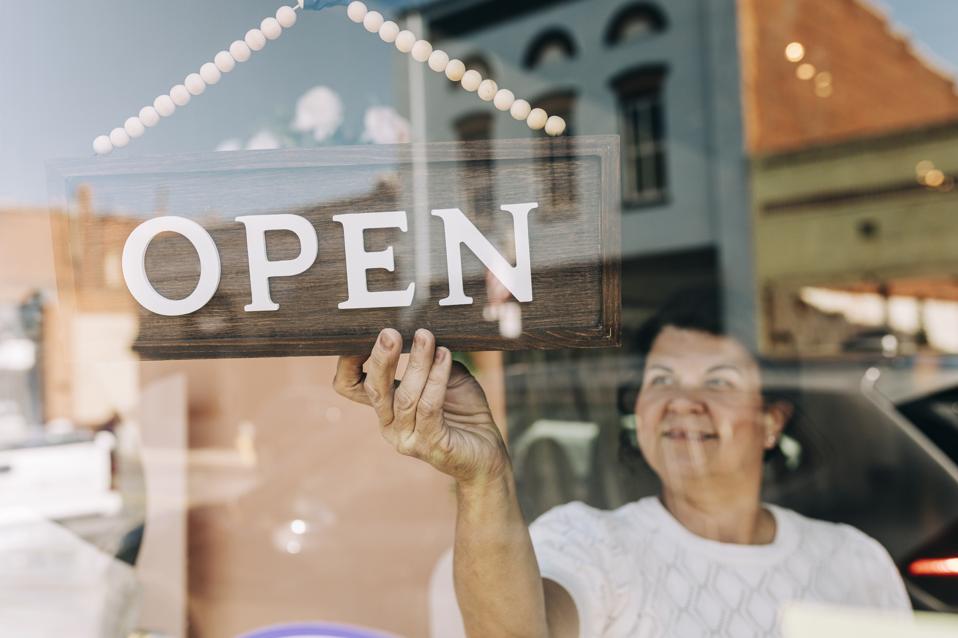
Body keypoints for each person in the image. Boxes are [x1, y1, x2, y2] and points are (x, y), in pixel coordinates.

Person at [332, 293, 910, 637]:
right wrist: (484, 476)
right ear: (638, 408)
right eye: (662, 380)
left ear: (771, 421)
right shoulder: (591, 540)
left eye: (720, 381)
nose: (684, 402)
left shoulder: (854, 558)